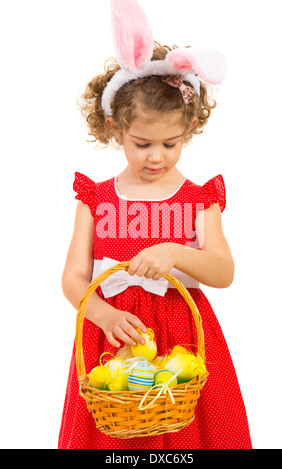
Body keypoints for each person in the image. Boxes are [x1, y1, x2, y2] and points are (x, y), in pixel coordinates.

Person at [58, 0, 252, 450]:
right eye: (142, 143)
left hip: (184, 335)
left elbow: (224, 272)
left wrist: (176, 253)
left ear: (189, 129)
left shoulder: (199, 200)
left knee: (188, 433)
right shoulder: (96, 199)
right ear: (114, 128)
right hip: (112, 338)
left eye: (171, 142)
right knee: (113, 435)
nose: (158, 156)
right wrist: (102, 314)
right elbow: (73, 277)